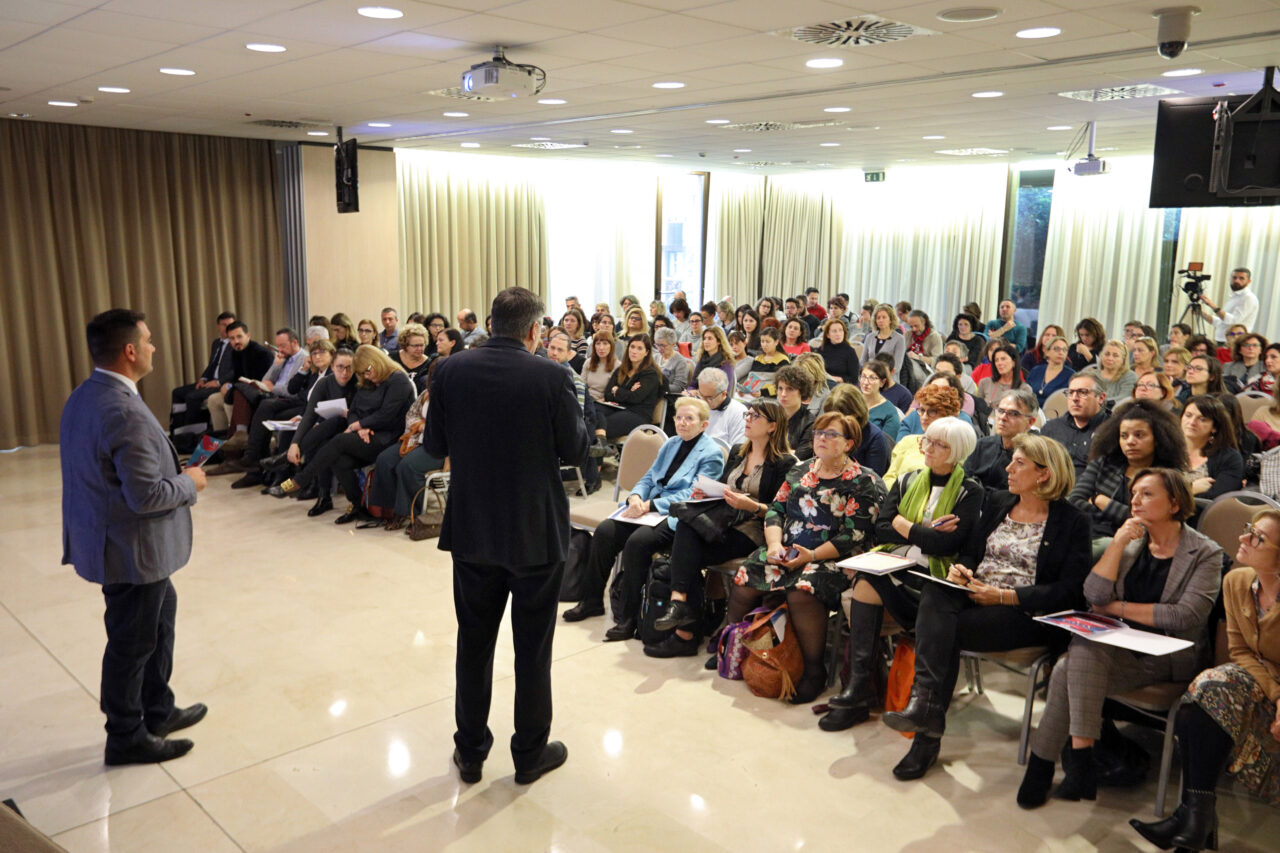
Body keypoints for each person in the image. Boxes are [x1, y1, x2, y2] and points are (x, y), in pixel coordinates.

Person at [424, 287, 589, 786]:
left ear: (491, 323)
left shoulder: (450, 369)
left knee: (473, 643)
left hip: (473, 526)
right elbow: (577, 452)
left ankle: (470, 751)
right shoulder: (552, 374)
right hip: (534, 531)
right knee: (532, 649)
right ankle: (529, 754)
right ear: (536, 330)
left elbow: (434, 444)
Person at [878, 435, 1091, 779]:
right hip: (977, 595)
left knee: (941, 629)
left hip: (1025, 612)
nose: (1008, 467)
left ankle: (925, 730)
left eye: (1019, 463)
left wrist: (1005, 596)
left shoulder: (1072, 521)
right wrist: (961, 570)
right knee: (937, 592)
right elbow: (972, 552)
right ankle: (926, 712)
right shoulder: (1000, 502)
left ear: (1045, 474)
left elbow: (1069, 592)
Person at [1018, 469, 1223, 810]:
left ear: (1174, 503)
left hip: (1169, 656)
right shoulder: (1132, 543)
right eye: (1133, 494)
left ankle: (1045, 769)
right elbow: (1094, 595)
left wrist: (1120, 608)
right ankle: (1078, 761)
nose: (1134, 501)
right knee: (1078, 653)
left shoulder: (1205, 553)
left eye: (1146, 494)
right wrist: (1116, 544)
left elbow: (1185, 616)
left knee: (1067, 667)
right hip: (1121, 648)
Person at [61, 309, 208, 766]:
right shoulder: (123, 408)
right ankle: (125, 735)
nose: (153, 347)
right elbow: (147, 497)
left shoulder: (87, 395)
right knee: (132, 641)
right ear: (129, 351)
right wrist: (192, 483)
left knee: (160, 617)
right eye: (147, 341)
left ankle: (157, 709)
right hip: (131, 548)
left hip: (115, 540)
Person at [1129, 508, 1280, 851]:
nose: (1243, 539)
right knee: (1202, 696)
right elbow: (1240, 650)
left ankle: (1194, 820)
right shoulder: (1237, 581)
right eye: (1248, 529)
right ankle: (1197, 818)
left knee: (1203, 697)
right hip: (1260, 678)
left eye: (1258, 538)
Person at [820, 416, 980, 738]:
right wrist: (923, 532)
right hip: (897, 564)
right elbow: (881, 527)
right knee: (864, 583)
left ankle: (877, 693)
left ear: (957, 452)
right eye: (927, 441)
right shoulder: (908, 480)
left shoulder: (969, 491)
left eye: (939, 444)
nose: (928, 448)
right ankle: (859, 686)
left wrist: (904, 526)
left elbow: (947, 544)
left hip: (934, 578)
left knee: (872, 584)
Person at [729, 412, 888, 703]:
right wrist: (775, 545)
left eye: (831, 434)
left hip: (833, 558)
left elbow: (855, 535)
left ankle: (814, 671)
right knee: (747, 573)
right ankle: (734, 647)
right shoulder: (800, 470)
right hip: (789, 549)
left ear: (849, 443)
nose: (821, 439)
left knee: (803, 591)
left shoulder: (863, 481)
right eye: (818, 433)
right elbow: (776, 510)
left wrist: (810, 555)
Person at [649, 400, 798, 657]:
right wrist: (705, 492)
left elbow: (781, 511)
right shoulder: (740, 450)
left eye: (755, 416)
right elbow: (721, 488)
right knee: (686, 533)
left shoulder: (785, 463)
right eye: (748, 414)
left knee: (685, 556)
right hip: (724, 520)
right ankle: (681, 610)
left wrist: (751, 505)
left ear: (772, 426)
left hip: (754, 530)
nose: (747, 419)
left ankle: (683, 628)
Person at [562, 397, 724, 632]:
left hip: (676, 515)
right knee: (606, 531)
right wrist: (636, 497)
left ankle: (629, 617)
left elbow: (694, 495)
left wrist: (651, 505)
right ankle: (591, 600)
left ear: (704, 425)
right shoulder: (671, 444)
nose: (682, 423)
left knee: (637, 543)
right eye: (679, 418)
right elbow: (649, 477)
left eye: (689, 419)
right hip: (648, 507)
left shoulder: (711, 453)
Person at [277, 345, 415, 522]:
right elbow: (354, 410)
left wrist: (358, 425)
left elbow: (387, 415)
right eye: (362, 373)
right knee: (338, 459)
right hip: (368, 434)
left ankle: (300, 479)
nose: (366, 376)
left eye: (367, 371)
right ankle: (358, 506)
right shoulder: (368, 381)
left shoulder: (398, 380)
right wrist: (359, 426)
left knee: (339, 441)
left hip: (389, 438)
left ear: (376, 362)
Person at [1069, 399, 1188, 548]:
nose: (1130, 441)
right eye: (1124, 436)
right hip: (1088, 534)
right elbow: (1074, 501)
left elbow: (1152, 522)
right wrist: (1118, 514)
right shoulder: (1104, 463)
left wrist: (1101, 501)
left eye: (1139, 435)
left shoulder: (1168, 476)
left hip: (1137, 545)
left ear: (1157, 439)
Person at [169, 310, 236, 441]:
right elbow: (211, 366)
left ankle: (194, 435)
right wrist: (203, 379)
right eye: (224, 324)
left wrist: (218, 382)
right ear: (218, 326)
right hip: (209, 381)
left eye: (230, 325)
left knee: (192, 397)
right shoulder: (216, 343)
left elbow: (235, 371)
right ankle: (177, 430)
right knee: (177, 393)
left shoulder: (235, 345)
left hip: (222, 384)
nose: (228, 328)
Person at [883, 383, 963, 488]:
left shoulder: (955, 449)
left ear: (946, 415)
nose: (924, 417)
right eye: (922, 410)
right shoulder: (907, 442)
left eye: (932, 411)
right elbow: (889, 478)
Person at [966, 387, 1037, 492]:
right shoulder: (982, 445)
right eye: (1000, 411)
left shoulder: (1034, 455)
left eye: (1013, 413)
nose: (1003, 417)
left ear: (1030, 422)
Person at [1041, 370, 1108, 477]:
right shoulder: (1051, 428)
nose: (1075, 398)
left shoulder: (1112, 431)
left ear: (1101, 398)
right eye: (1071, 392)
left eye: (1083, 392)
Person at [821, 383, 893, 476]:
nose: (833, 422)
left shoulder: (875, 439)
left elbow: (872, 481)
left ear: (855, 414)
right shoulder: (824, 433)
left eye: (838, 418)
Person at [1182, 395, 1244, 500]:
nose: (1192, 422)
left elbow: (1217, 499)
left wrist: (1175, 495)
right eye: (1188, 415)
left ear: (1214, 427)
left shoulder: (1229, 458)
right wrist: (1191, 489)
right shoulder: (1165, 450)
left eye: (1202, 419)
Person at [601, 335, 663, 439]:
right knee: (593, 411)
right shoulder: (621, 369)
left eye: (639, 348)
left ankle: (598, 448)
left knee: (603, 424)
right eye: (632, 347)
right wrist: (627, 393)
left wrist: (617, 390)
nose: (634, 351)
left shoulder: (650, 374)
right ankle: (599, 447)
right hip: (617, 408)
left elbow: (635, 398)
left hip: (638, 414)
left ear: (646, 353)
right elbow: (607, 395)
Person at [1199, 266, 1259, 345]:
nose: (1236, 280)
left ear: (1248, 281)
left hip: (1234, 343)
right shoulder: (1235, 296)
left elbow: (1233, 322)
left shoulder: (1248, 298)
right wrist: (1201, 313)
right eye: (1234, 277)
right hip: (1222, 340)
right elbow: (1221, 322)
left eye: (1241, 278)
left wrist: (1211, 304)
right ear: (1230, 279)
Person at [693, 367, 747, 449]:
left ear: (724, 394)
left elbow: (737, 451)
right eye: (700, 395)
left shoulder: (739, 412)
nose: (703, 401)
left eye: (709, 398)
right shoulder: (696, 406)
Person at [774, 364, 815, 459]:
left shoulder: (810, 422)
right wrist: (788, 452)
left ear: (802, 392)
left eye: (790, 389)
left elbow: (798, 457)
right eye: (780, 388)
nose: (783, 394)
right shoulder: (771, 415)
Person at [1025, 335, 1074, 408]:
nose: (1061, 352)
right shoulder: (1036, 371)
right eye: (1057, 349)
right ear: (1047, 351)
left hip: (1056, 414)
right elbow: (1025, 394)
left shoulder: (1072, 376)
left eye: (1064, 350)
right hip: (1031, 411)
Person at [860, 360, 902, 441]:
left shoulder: (889, 412)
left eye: (872, 378)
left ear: (882, 382)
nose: (866, 382)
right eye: (863, 376)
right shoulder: (852, 402)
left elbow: (886, 445)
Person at [744, 326, 789, 397]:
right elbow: (751, 379)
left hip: (771, 397)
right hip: (753, 395)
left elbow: (784, 384)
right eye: (762, 341)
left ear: (776, 342)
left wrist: (763, 392)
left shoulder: (783, 360)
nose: (764, 345)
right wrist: (744, 389)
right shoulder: (758, 358)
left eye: (768, 342)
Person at [863, 303, 906, 375]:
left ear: (890, 320)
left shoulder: (899, 339)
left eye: (884, 317)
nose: (881, 320)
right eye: (878, 318)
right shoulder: (870, 337)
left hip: (889, 377)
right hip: (869, 376)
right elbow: (863, 361)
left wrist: (879, 375)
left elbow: (897, 367)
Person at [976, 343, 1024, 408]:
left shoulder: (1024, 389)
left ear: (1014, 362)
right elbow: (977, 409)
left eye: (1003, 359)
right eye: (996, 360)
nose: (999, 363)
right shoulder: (984, 383)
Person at [816, 317, 861, 385]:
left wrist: (839, 379)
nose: (838, 334)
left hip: (841, 386)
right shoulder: (821, 350)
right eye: (834, 331)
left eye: (840, 330)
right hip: (823, 384)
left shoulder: (850, 351)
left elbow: (854, 378)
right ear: (828, 335)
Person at [652, 327, 692, 394]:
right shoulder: (655, 357)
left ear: (673, 344)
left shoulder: (680, 362)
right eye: (657, 345)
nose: (659, 349)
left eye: (663, 345)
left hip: (668, 397)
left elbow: (679, 387)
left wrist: (657, 387)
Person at [581, 330, 617, 403]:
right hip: (587, 399)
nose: (601, 347)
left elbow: (614, 392)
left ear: (611, 346)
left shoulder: (618, 366)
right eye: (598, 344)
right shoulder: (588, 362)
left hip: (604, 402)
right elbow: (582, 386)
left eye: (605, 344)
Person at [904, 310, 944, 375]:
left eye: (916, 326)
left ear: (924, 322)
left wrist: (918, 357)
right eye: (911, 326)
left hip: (927, 370)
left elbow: (937, 360)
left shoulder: (934, 336)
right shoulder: (908, 334)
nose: (913, 329)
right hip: (908, 367)